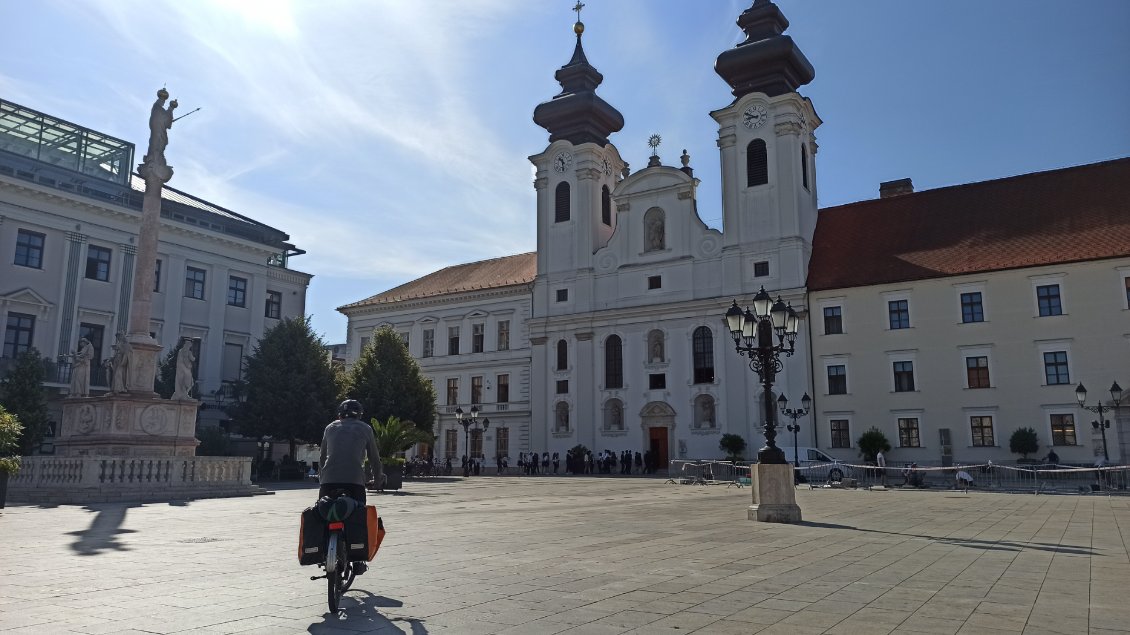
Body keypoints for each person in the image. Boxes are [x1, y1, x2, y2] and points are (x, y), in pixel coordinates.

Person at [318, 399, 381, 576]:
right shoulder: (365, 428)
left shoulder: (330, 428)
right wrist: (377, 479)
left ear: (339, 414)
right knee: (359, 516)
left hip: (328, 481)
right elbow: (374, 459)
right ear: (359, 415)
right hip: (354, 480)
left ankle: (323, 549)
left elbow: (323, 457)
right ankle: (359, 560)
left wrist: (322, 478)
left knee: (323, 512)